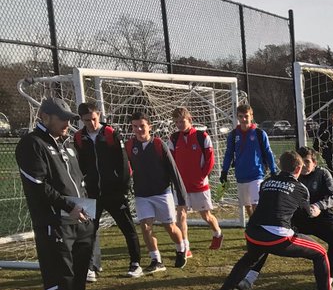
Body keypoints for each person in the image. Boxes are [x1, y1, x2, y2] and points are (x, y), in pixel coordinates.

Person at [214, 150, 333, 290]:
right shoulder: (301, 188)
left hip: (253, 232)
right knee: (321, 253)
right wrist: (314, 210)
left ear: (280, 165)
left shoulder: (266, 182)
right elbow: (307, 211)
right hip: (278, 237)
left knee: (248, 259)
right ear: (298, 169)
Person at [16, 96, 96, 290]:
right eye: (63, 119)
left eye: (69, 120)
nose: (67, 124)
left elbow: (76, 180)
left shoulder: (66, 144)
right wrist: (68, 207)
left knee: (80, 275)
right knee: (61, 278)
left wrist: (84, 206)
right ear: (45, 117)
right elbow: (39, 186)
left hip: (80, 221)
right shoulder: (31, 144)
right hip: (55, 224)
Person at [73, 101, 142, 279]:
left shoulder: (111, 133)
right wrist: (84, 184)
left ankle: (135, 264)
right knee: (88, 230)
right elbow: (80, 165)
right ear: (81, 120)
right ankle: (89, 268)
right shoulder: (79, 138)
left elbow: (124, 163)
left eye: (94, 119)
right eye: (87, 120)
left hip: (114, 193)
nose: (92, 123)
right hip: (93, 194)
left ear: (99, 116)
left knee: (127, 227)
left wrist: (123, 187)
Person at [126, 110, 187, 272]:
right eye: (135, 126)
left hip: (162, 192)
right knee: (145, 226)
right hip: (141, 194)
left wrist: (182, 199)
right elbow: (126, 170)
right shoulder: (130, 146)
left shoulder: (159, 144)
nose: (139, 129)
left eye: (142, 126)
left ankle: (181, 249)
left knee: (170, 226)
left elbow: (174, 172)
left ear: (149, 127)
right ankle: (156, 260)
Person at [167, 106, 222, 255]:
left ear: (190, 120)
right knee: (181, 215)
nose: (179, 124)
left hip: (199, 185)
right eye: (176, 122)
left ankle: (217, 233)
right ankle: (186, 246)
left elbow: (210, 160)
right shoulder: (173, 138)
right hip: (181, 185)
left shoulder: (202, 136)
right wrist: (174, 180)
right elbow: (170, 161)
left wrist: (202, 176)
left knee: (206, 215)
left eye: (182, 121)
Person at [220, 103, 275, 220]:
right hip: (240, 175)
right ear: (237, 117)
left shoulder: (260, 134)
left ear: (251, 116)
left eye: (246, 116)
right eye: (240, 116)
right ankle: (253, 224)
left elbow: (268, 152)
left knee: (257, 204)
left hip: (257, 174)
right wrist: (224, 171)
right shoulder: (233, 135)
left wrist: (273, 170)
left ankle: (259, 227)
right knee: (247, 205)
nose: (243, 119)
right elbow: (229, 154)